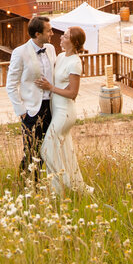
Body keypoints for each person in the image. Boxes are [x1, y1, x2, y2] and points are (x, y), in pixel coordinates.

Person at [35, 26, 93, 195]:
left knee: (47, 149)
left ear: (74, 42)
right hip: (56, 110)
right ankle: (57, 193)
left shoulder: (75, 62)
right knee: (61, 151)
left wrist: (50, 87)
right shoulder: (60, 57)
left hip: (65, 112)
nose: (61, 37)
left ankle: (71, 184)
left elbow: (73, 93)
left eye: (65, 36)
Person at [6, 16, 55, 182]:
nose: (52, 33)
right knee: (31, 151)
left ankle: (43, 183)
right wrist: (22, 111)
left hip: (52, 107)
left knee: (48, 149)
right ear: (37, 33)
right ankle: (25, 184)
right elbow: (11, 85)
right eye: (48, 30)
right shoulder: (20, 52)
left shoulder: (51, 49)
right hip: (32, 110)